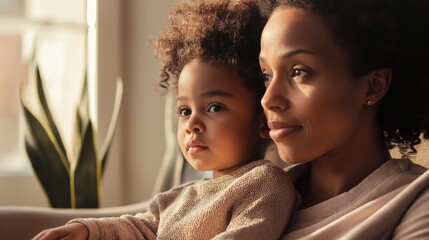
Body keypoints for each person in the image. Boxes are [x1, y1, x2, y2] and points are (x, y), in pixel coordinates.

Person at [32, 0, 295, 239]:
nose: (192, 124)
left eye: (214, 107)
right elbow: (139, 227)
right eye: (184, 111)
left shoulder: (265, 183)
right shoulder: (180, 197)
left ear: (262, 121)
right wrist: (86, 230)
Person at [257, 0, 429, 239]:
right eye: (267, 75)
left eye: (298, 71)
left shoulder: (415, 200)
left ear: (372, 87)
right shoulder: (254, 197)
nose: (268, 98)